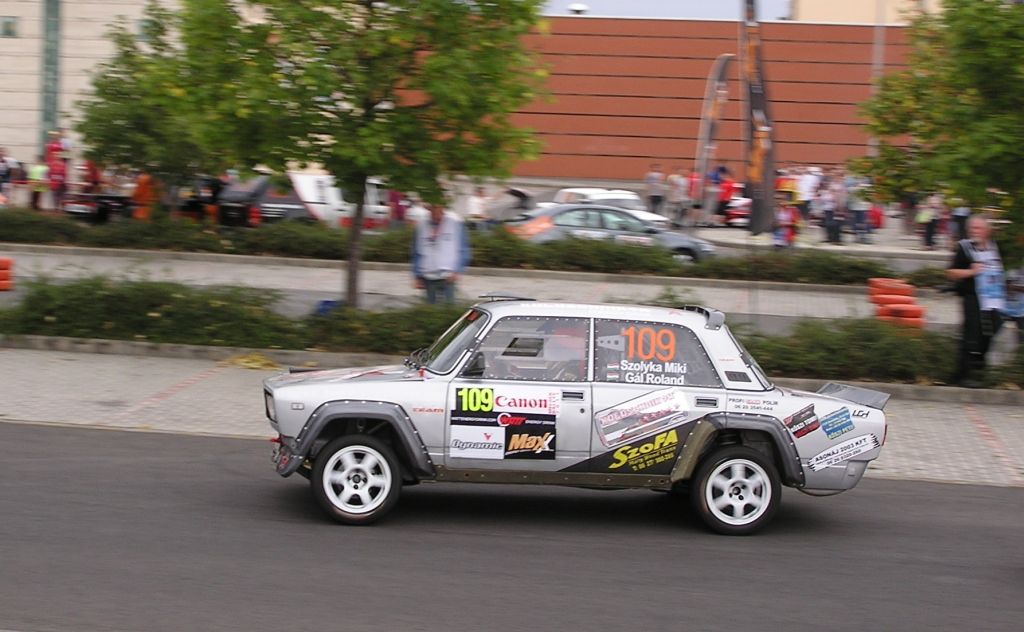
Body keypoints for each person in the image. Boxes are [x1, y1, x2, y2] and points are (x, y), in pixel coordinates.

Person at [947, 215, 1005, 386]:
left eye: (978, 228)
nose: (974, 231)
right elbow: (951, 273)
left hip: (994, 299)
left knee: (993, 329)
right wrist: (971, 272)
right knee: (971, 333)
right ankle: (963, 375)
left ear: (987, 231)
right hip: (973, 297)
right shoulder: (964, 248)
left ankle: (979, 366)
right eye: (972, 228)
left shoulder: (996, 246)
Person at [410, 202, 470, 304]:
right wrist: (417, 276)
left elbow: (463, 249)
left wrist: (457, 271)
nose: (435, 211)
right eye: (433, 208)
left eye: (438, 207)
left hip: (448, 275)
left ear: (443, 208)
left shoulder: (455, 223)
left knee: (448, 307)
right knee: (430, 308)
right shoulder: (421, 225)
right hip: (427, 275)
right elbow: (416, 252)